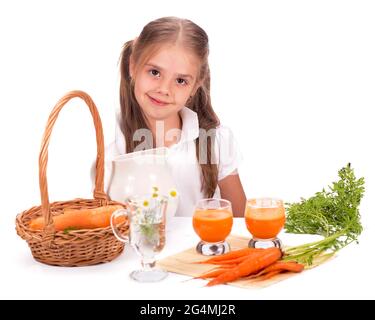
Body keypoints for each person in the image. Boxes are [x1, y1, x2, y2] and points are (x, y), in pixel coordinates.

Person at [104, 16, 246, 217]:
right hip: (140, 248)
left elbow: (240, 222)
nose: (164, 89)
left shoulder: (216, 141)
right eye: (154, 72)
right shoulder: (111, 146)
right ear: (132, 66)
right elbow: (104, 230)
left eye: (180, 80)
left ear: (195, 86)